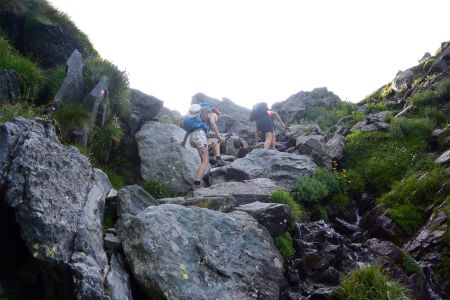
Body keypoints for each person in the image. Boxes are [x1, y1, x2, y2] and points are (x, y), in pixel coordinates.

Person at [181, 103, 228, 189]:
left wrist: (184, 142)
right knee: (205, 161)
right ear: (216, 111)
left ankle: (218, 158)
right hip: (200, 136)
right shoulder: (212, 114)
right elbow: (212, 123)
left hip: (193, 138)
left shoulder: (197, 120)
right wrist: (219, 136)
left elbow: (188, 131)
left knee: (214, 141)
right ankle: (197, 183)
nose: (217, 118)